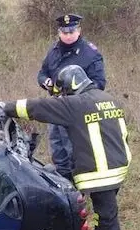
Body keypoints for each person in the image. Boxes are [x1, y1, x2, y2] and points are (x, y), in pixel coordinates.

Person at [0, 65, 131, 230]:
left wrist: (6, 107)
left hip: (100, 173)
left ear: (70, 87)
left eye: (64, 93)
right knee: (104, 211)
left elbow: (39, 107)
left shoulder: (75, 105)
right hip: (119, 166)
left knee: (108, 218)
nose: (64, 97)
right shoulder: (109, 98)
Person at [37, 13, 107, 182]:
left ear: (79, 30)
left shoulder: (90, 53)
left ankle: (80, 188)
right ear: (59, 32)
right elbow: (42, 72)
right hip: (56, 105)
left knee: (74, 149)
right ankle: (64, 183)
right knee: (58, 149)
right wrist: (45, 81)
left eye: (71, 31)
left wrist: (78, 92)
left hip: (77, 108)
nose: (68, 35)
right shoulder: (54, 50)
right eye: (64, 32)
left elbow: (99, 83)